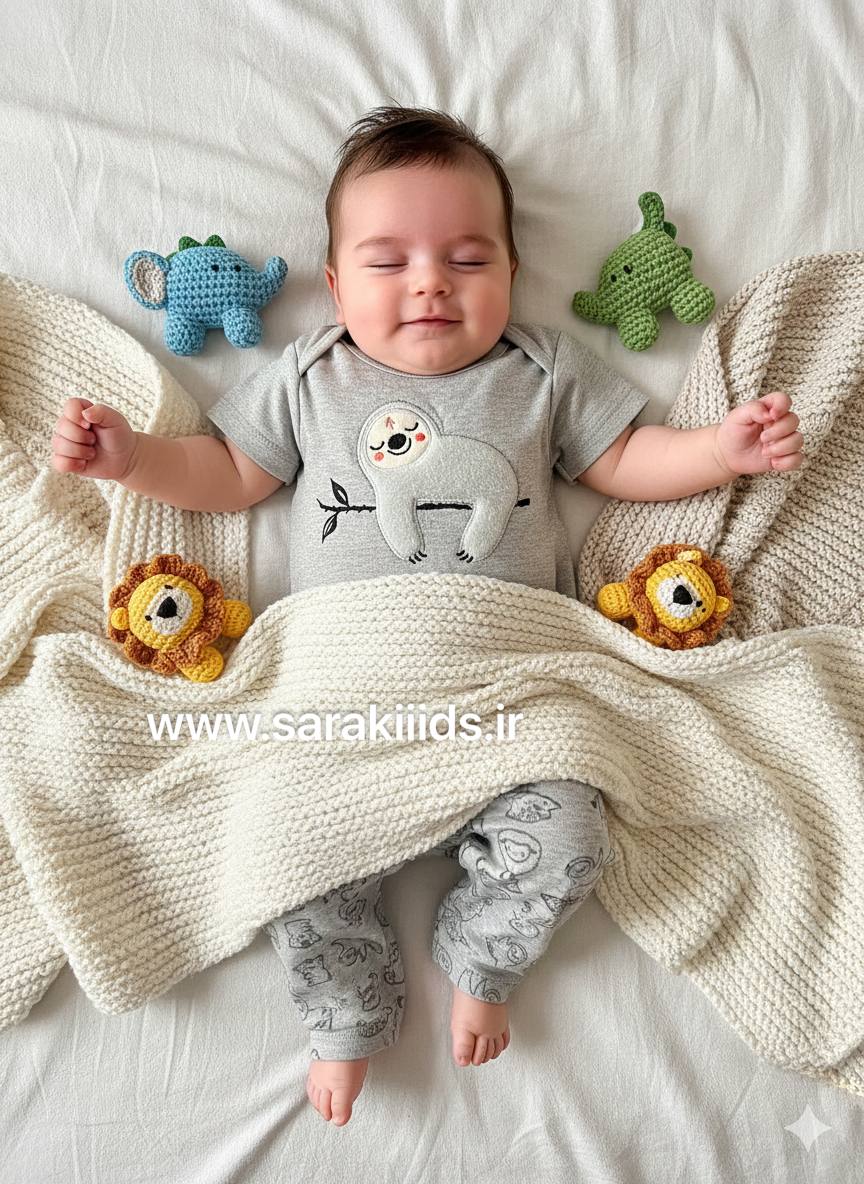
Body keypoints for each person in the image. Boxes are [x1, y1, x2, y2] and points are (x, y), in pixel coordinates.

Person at [50, 105, 803, 1127]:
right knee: (291, 847)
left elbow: (625, 460)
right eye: (388, 260)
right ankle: (344, 1007)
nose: (430, 284)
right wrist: (132, 457)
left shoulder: (540, 370)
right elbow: (226, 473)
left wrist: (719, 450)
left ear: (512, 270)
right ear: (334, 282)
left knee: (571, 830)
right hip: (347, 688)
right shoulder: (311, 374)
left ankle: (484, 955)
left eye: (467, 258)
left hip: (508, 679)